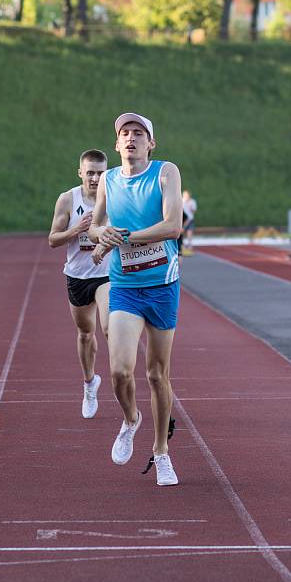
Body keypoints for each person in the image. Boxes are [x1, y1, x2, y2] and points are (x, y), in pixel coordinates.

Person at [89, 112, 183, 487]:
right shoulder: (108, 181)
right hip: (125, 287)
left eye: (139, 133)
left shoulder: (165, 173)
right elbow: (96, 225)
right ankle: (131, 419)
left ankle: (161, 452)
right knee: (119, 371)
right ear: (116, 144)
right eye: (124, 133)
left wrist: (124, 238)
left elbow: (173, 226)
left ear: (150, 143)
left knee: (157, 374)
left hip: (162, 286)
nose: (131, 138)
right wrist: (103, 235)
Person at [48, 149, 111, 419]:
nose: (95, 178)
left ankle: (122, 382)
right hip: (77, 276)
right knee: (86, 334)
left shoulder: (115, 198)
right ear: (80, 173)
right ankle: (89, 383)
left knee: (110, 329)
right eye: (91, 173)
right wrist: (77, 229)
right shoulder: (67, 199)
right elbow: (53, 239)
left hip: (107, 274)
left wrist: (105, 244)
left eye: (100, 173)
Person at [182, 189, 198, 254]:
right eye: (185, 195)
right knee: (181, 232)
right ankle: (182, 246)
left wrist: (190, 209)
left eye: (187, 195)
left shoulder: (192, 201)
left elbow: (194, 210)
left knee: (189, 232)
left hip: (190, 219)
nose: (186, 196)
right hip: (183, 220)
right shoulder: (181, 201)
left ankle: (189, 246)